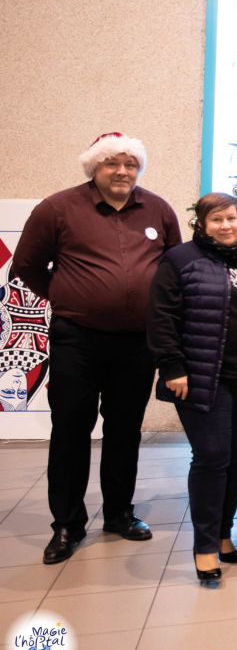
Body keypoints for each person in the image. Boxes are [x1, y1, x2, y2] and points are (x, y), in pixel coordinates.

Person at [13, 133, 182, 565]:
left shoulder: (158, 209)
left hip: (138, 342)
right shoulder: (57, 208)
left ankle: (120, 513)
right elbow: (27, 266)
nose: (122, 171)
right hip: (79, 339)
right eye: (112, 164)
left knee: (125, 429)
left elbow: (173, 269)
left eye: (130, 164)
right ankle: (67, 524)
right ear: (94, 168)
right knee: (71, 429)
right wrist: (68, 296)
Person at [147, 193, 237, 584]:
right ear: (201, 224)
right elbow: (161, 315)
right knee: (211, 457)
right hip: (202, 377)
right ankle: (204, 547)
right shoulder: (181, 260)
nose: (226, 225)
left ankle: (222, 535)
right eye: (217, 219)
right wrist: (172, 366)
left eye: (232, 219)